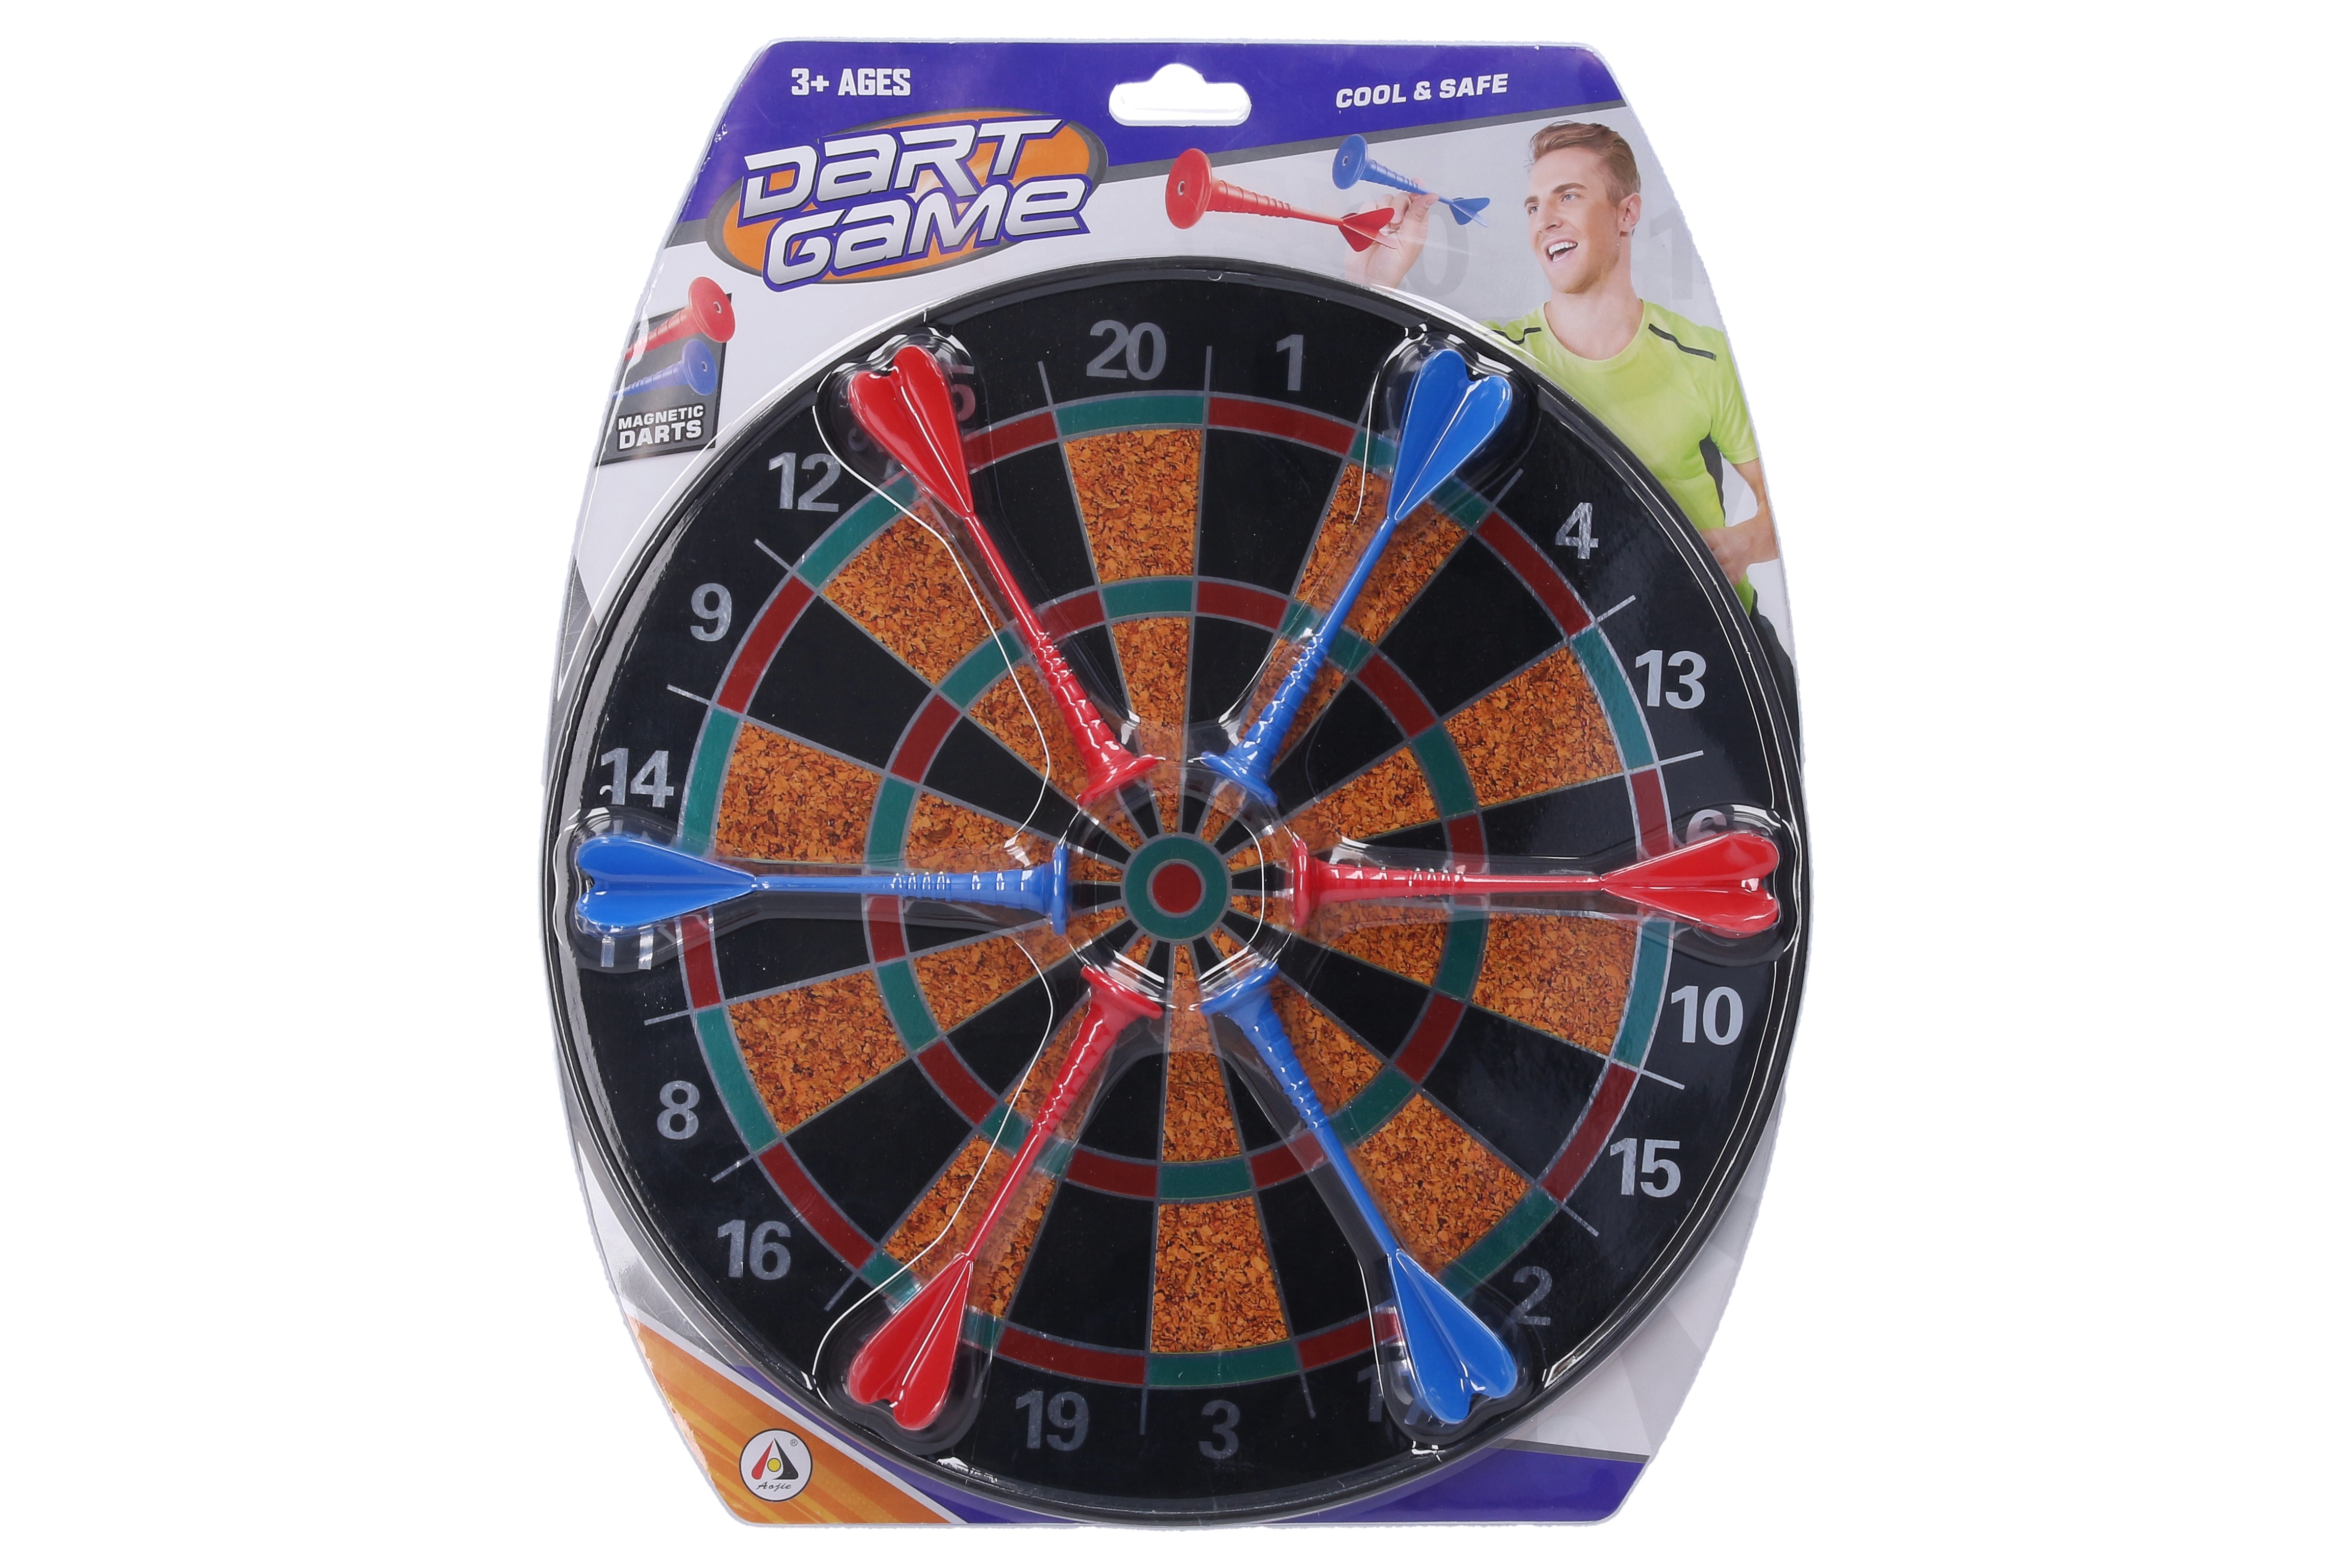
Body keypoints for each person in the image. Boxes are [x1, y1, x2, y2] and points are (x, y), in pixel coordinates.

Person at [1346, 121, 1780, 612]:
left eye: (1568, 197)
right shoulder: (1494, 360)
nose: (1545, 220)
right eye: (1534, 207)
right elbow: (1369, 435)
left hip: (1708, 635)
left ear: (1627, 213)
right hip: (1559, 647)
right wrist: (1374, 286)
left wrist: (1741, 545)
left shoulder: (1705, 356)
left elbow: (1792, 507)